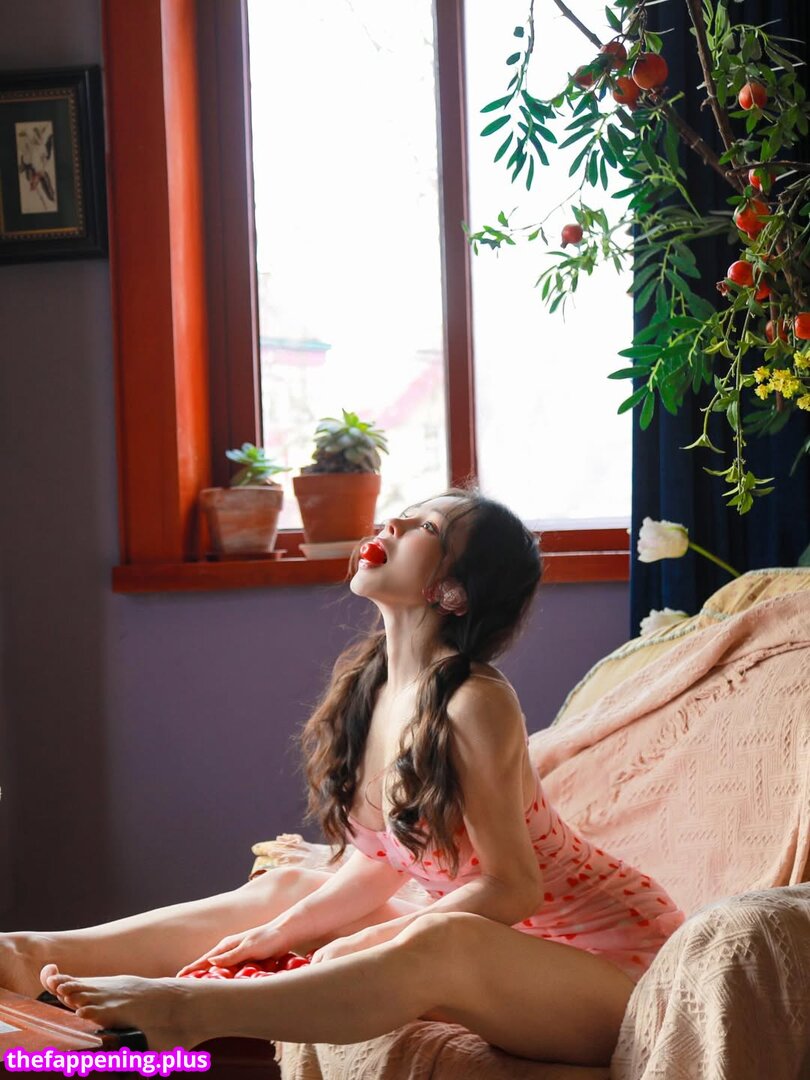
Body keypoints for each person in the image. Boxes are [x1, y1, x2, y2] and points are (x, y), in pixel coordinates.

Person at [2, 489, 685, 1067]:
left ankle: (186, 1013)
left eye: (426, 528)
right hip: (518, 946)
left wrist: (375, 938)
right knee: (294, 885)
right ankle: (33, 955)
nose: (393, 522)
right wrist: (281, 930)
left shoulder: (476, 700)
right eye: (405, 513)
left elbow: (512, 886)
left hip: (613, 968)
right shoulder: (373, 686)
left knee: (442, 941)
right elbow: (384, 859)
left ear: (452, 591)